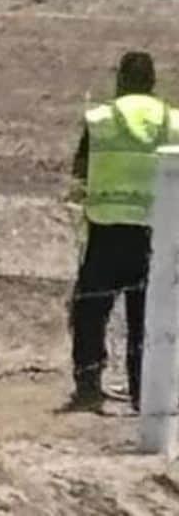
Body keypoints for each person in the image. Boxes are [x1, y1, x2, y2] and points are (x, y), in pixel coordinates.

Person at [65, 51, 179, 413]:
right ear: (152, 82)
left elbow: (80, 169)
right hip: (152, 234)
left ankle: (87, 384)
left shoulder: (101, 118)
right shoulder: (172, 121)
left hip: (105, 229)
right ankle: (142, 392)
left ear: (121, 80)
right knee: (144, 316)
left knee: (90, 309)